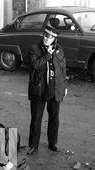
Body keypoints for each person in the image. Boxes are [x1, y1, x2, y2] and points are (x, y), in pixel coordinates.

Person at [27, 25, 67, 155]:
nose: (46, 38)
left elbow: (62, 70)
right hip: (39, 89)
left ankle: (53, 143)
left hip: (54, 89)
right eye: (45, 35)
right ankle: (33, 146)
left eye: (50, 37)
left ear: (55, 39)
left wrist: (64, 86)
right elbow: (35, 65)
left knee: (54, 118)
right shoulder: (34, 49)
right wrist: (47, 55)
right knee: (36, 118)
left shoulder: (59, 50)